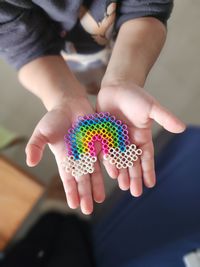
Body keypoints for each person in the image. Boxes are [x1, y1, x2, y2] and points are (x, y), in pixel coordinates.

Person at [0, 0, 185, 215]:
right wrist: (62, 98)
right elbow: (25, 49)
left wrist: (123, 78)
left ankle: (110, 83)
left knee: (102, 80)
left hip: (127, 46)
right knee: (92, 81)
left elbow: (147, 9)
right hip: (62, 63)